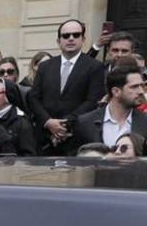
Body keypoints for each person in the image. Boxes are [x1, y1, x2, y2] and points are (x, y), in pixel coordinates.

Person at [27, 19, 106, 153]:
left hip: (76, 137)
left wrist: (64, 124)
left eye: (76, 35)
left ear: (83, 39)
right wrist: (48, 122)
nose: (70, 39)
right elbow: (34, 97)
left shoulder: (94, 67)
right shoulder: (45, 66)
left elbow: (92, 101)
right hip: (44, 138)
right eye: (66, 35)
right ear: (59, 41)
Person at [73, 63, 147, 147]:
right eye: (134, 87)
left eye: (142, 86)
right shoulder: (85, 122)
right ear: (116, 91)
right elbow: (77, 157)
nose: (141, 91)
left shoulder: (145, 121)